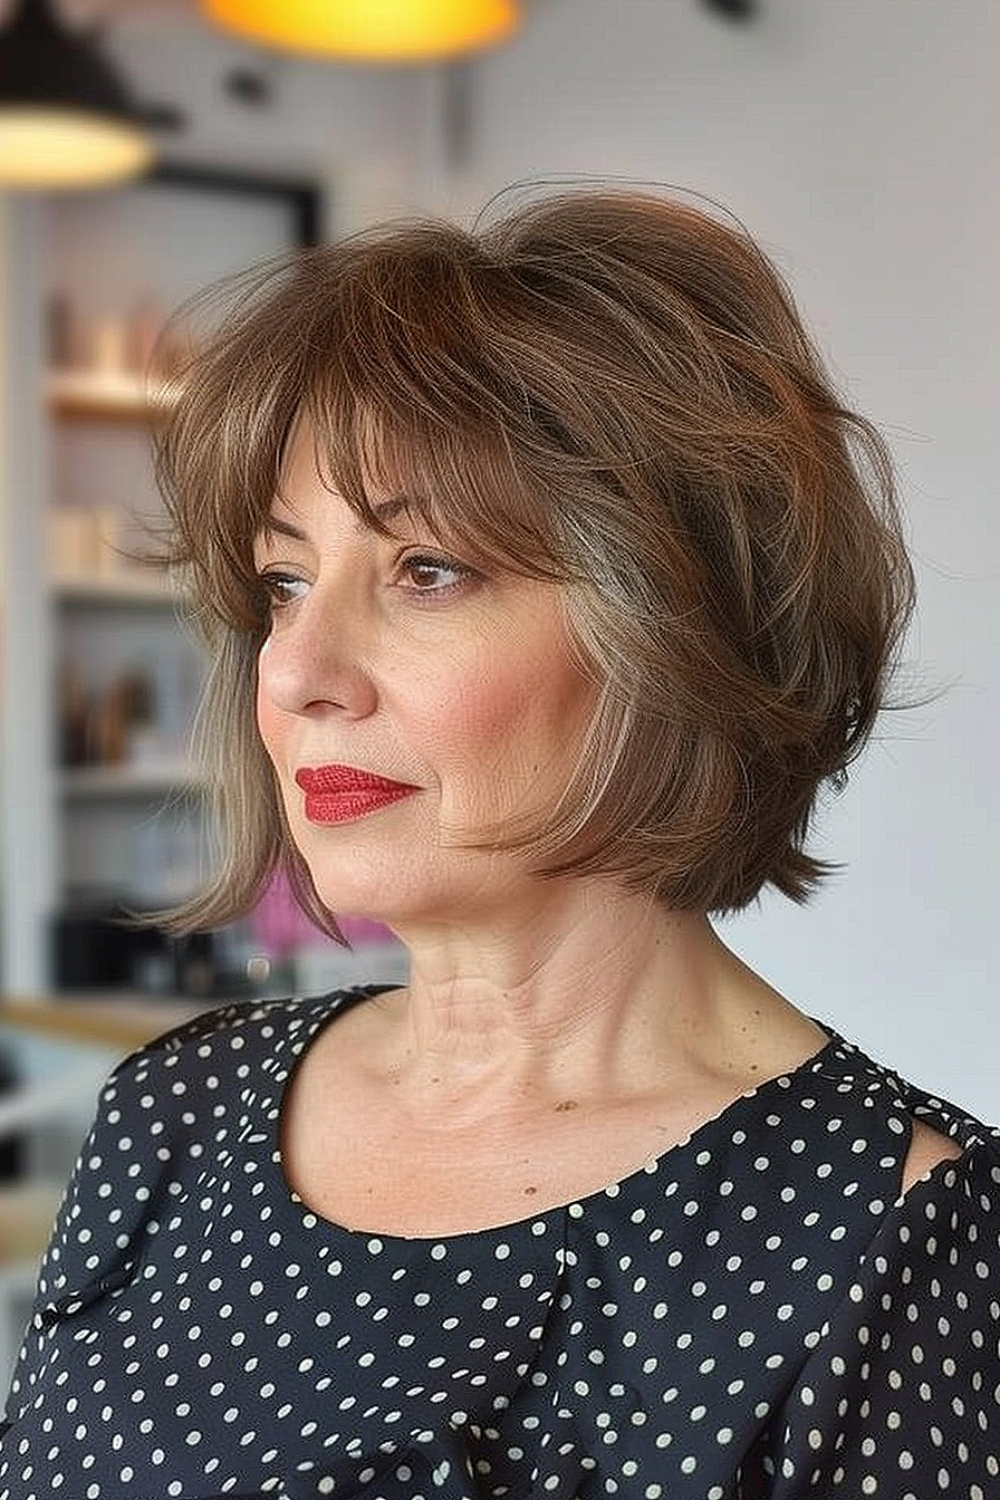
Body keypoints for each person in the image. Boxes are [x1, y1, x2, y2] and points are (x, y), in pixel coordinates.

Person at [2, 187, 998, 1500]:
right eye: (281, 583)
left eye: (428, 571)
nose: (296, 669)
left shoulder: (892, 1241)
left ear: (680, 631)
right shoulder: (176, 1110)